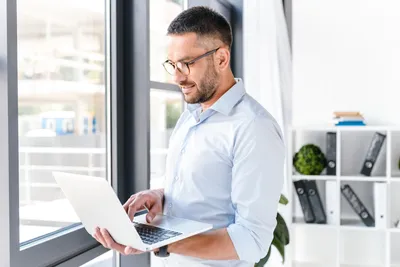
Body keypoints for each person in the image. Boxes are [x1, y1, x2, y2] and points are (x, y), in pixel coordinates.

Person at [93, 6, 285, 267]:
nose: (177, 77)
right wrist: (161, 195)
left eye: (186, 64)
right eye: (173, 64)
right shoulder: (191, 115)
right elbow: (207, 188)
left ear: (221, 58)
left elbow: (253, 239)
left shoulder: (254, 128)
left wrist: (161, 242)